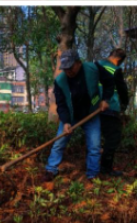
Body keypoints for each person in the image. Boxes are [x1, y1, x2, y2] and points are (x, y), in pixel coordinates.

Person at [43, 50, 114, 181]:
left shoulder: (93, 69)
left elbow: (109, 82)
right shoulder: (60, 81)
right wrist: (65, 122)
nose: (68, 71)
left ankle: (92, 174)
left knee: (94, 146)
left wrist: (105, 99)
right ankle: (51, 170)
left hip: (91, 114)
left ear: (78, 63)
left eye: (70, 67)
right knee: (59, 142)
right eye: (65, 69)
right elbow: (61, 104)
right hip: (71, 117)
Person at [96, 48, 130, 177]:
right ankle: (105, 170)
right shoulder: (115, 69)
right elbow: (122, 90)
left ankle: (94, 167)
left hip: (95, 107)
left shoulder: (96, 65)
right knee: (113, 138)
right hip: (110, 108)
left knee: (96, 138)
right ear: (119, 60)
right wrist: (124, 106)